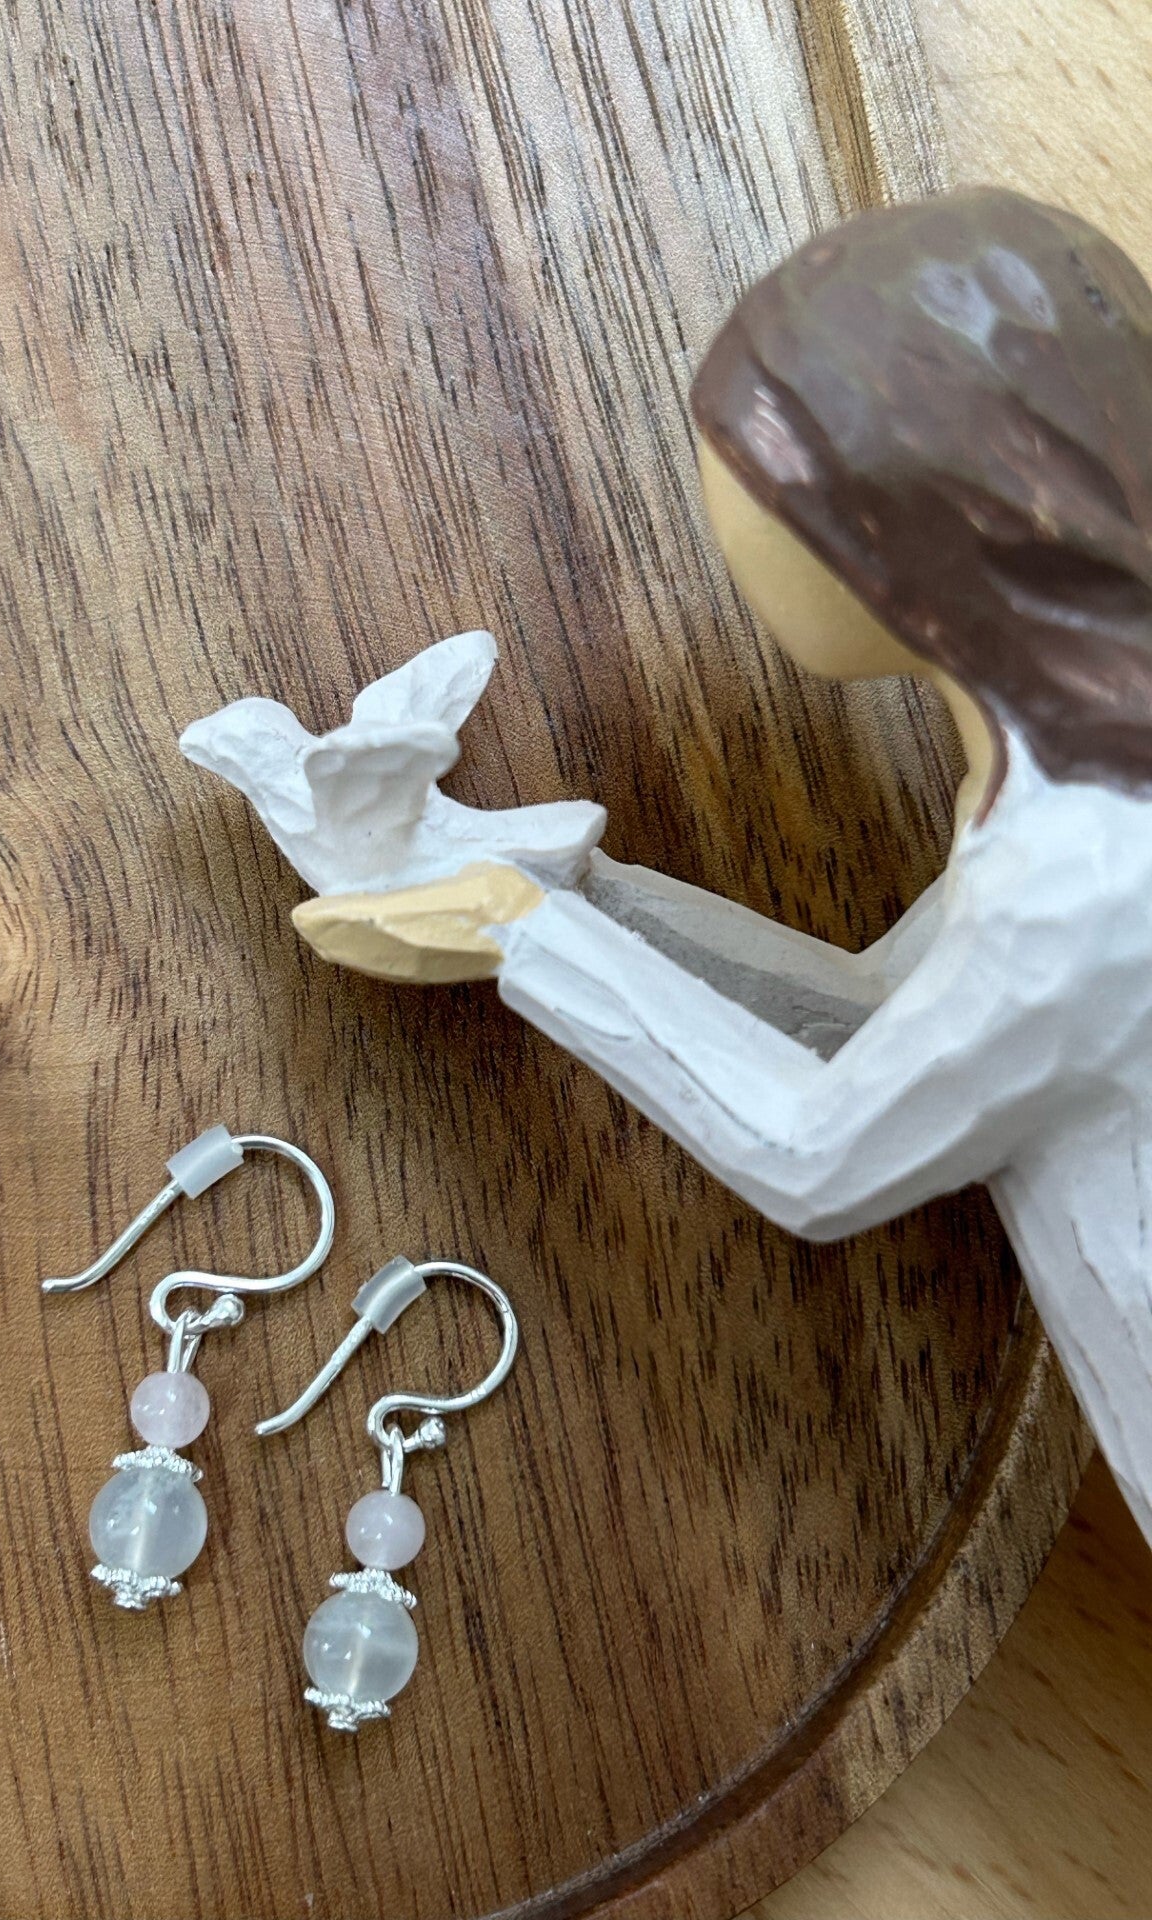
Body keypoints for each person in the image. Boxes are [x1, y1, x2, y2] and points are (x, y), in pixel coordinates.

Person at [184, 189, 1152, 1546]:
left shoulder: (1090, 877)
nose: (737, 538)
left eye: (762, 502)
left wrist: (524, 932)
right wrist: (557, 890)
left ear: (915, 535)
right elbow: (872, 1018)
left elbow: (820, 1151)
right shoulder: (1076, 794)